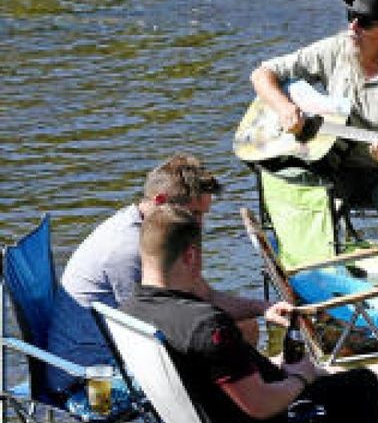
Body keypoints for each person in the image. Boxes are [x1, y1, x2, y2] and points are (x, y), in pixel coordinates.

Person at [122, 204, 378, 423]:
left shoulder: (132, 310)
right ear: (190, 255)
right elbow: (262, 405)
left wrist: (280, 365)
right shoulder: (206, 326)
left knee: (345, 375)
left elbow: (213, 381)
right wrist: (300, 379)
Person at [45, 154, 271, 397]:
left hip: (118, 349)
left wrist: (265, 308)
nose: (199, 226)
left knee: (243, 328)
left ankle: (247, 400)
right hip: (93, 377)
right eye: (194, 214)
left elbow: (204, 295)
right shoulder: (129, 249)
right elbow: (144, 330)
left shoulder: (153, 230)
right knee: (224, 342)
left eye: (203, 215)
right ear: (160, 201)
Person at [251, 0, 378, 249]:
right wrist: (285, 108)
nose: (353, 27)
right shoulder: (334, 50)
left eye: (364, 22)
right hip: (331, 166)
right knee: (286, 181)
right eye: (352, 17)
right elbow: (262, 74)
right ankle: (304, 272)